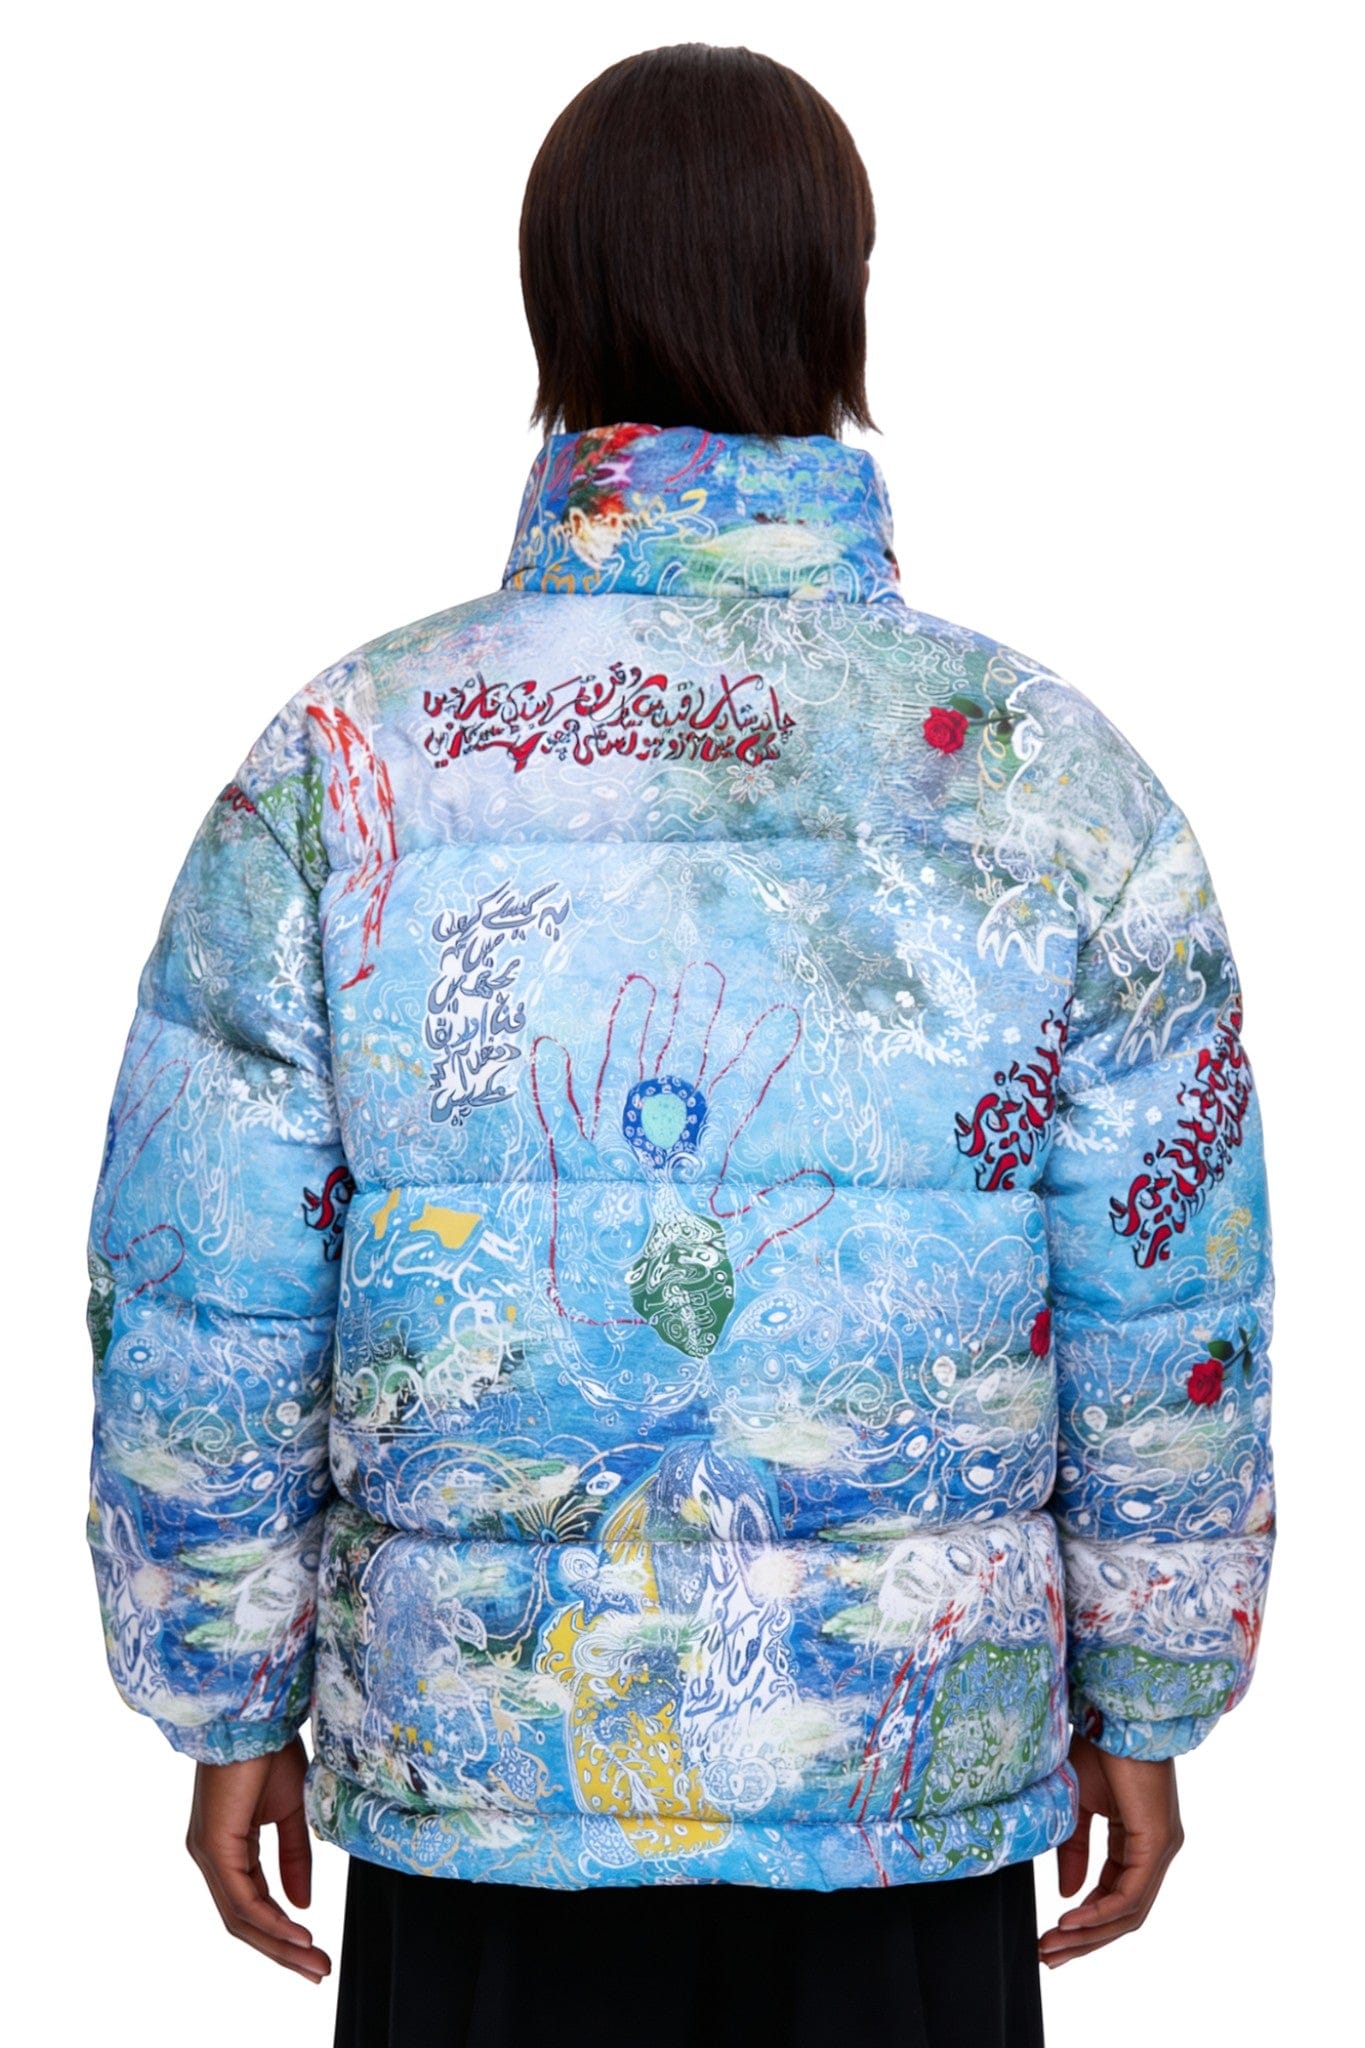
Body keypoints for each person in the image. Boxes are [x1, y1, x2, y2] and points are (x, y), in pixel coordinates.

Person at [83, 41, 1276, 2048]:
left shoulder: (350, 758)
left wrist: (225, 1690)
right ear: (842, 299)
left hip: (486, 1780)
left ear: (549, 303)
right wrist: (1144, 1697)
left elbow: (205, 1282)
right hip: (902, 1773)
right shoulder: (1045, 774)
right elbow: (1167, 1283)